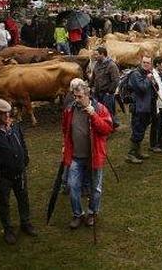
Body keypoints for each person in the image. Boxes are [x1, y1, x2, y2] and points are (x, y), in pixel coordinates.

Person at [0, 99, 36, 245]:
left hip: (19, 172)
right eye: (3, 114)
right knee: (4, 203)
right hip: (2, 176)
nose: (7, 116)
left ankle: (25, 222)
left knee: (23, 198)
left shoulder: (14, 126)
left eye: (8, 112)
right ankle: (8, 229)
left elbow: (22, 143)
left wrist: (25, 158)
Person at [61, 79, 113, 229]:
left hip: (94, 155)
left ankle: (92, 213)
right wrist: (65, 144)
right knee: (72, 186)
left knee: (95, 188)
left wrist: (93, 115)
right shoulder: (70, 110)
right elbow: (65, 129)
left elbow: (106, 130)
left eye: (79, 96)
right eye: (74, 96)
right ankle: (78, 214)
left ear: (87, 94)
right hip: (76, 156)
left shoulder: (100, 109)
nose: (76, 99)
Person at [127, 55, 155, 164]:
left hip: (146, 107)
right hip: (139, 107)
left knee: (142, 129)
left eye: (148, 62)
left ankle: (138, 151)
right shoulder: (136, 74)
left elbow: (153, 88)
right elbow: (142, 88)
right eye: (144, 62)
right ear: (141, 62)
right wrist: (148, 79)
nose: (145, 64)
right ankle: (131, 154)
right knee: (137, 129)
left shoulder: (147, 74)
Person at [90, 47, 120, 128]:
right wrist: (90, 86)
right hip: (97, 92)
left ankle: (110, 126)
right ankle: (105, 126)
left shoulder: (111, 65)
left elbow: (116, 80)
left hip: (107, 94)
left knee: (108, 111)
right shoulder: (97, 64)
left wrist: (109, 92)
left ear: (102, 54)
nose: (94, 56)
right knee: (99, 111)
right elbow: (94, 76)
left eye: (96, 54)